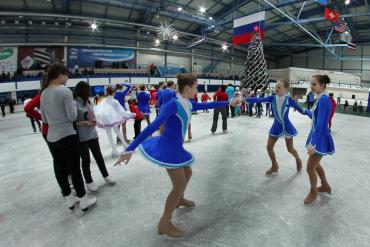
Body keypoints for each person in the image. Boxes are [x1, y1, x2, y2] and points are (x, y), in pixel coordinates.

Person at [114, 73, 239, 238]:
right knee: (178, 185)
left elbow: (208, 104)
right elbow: (152, 127)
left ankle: (179, 200)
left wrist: (229, 102)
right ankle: (164, 223)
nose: (197, 90)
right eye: (196, 87)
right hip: (168, 149)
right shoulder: (173, 104)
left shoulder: (187, 102)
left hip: (176, 148)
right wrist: (129, 149)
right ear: (187, 88)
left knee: (188, 172)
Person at [40, 63, 97, 211]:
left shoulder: (44, 92)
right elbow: (72, 116)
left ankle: (69, 199)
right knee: (74, 169)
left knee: (60, 168)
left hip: (52, 137)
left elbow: (44, 119)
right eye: (67, 75)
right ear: (60, 74)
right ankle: (83, 199)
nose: (67, 79)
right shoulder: (64, 91)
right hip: (67, 135)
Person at [245, 80, 306, 175]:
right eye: (276, 86)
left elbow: (301, 110)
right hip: (276, 127)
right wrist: (244, 99)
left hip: (286, 127)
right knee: (269, 147)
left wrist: (310, 113)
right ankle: (274, 166)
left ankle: (298, 159)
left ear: (285, 89)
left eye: (279, 87)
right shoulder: (272, 98)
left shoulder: (289, 100)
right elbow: (258, 100)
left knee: (290, 149)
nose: (276, 89)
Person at [74, 81, 115, 192]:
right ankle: (89, 181)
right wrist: (83, 123)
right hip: (81, 137)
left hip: (92, 134)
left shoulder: (88, 102)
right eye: (88, 90)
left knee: (99, 156)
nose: (89, 92)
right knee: (86, 159)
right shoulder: (74, 103)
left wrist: (94, 121)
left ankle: (106, 175)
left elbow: (93, 115)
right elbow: (72, 122)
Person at [303, 75, 335, 204]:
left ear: (323, 86)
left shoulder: (324, 100)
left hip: (320, 137)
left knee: (310, 168)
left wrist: (313, 143)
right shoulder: (321, 99)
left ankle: (313, 192)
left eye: (314, 84)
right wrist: (305, 111)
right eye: (311, 84)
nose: (312, 86)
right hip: (317, 134)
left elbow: (322, 123)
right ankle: (325, 186)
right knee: (315, 165)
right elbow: (316, 119)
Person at [94, 85, 135, 157]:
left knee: (109, 133)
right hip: (111, 118)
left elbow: (99, 109)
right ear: (113, 93)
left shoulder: (104, 100)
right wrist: (130, 114)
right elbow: (122, 111)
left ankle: (115, 149)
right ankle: (124, 146)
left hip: (106, 119)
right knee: (117, 131)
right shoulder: (114, 101)